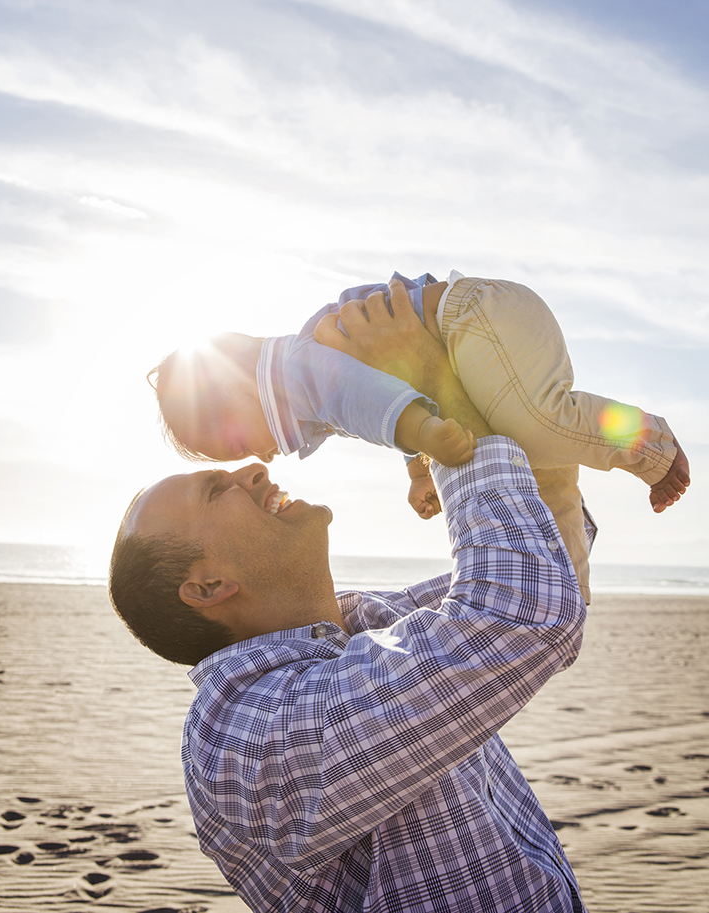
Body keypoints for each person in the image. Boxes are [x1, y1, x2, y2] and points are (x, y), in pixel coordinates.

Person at [109, 299, 587, 911]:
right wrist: (440, 389)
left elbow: (551, 573)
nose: (251, 469)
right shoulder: (240, 738)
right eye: (215, 489)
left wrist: (519, 418)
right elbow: (525, 611)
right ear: (206, 587)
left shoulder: (369, 624)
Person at [150, 272, 689, 603]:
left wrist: (428, 435)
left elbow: (381, 404)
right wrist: (416, 466)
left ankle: (647, 442)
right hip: (471, 356)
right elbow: (383, 403)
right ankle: (567, 588)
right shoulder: (312, 386)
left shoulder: (299, 368)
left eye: (242, 442)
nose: (263, 456)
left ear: (235, 387)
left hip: (472, 317)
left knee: (539, 427)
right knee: (538, 479)